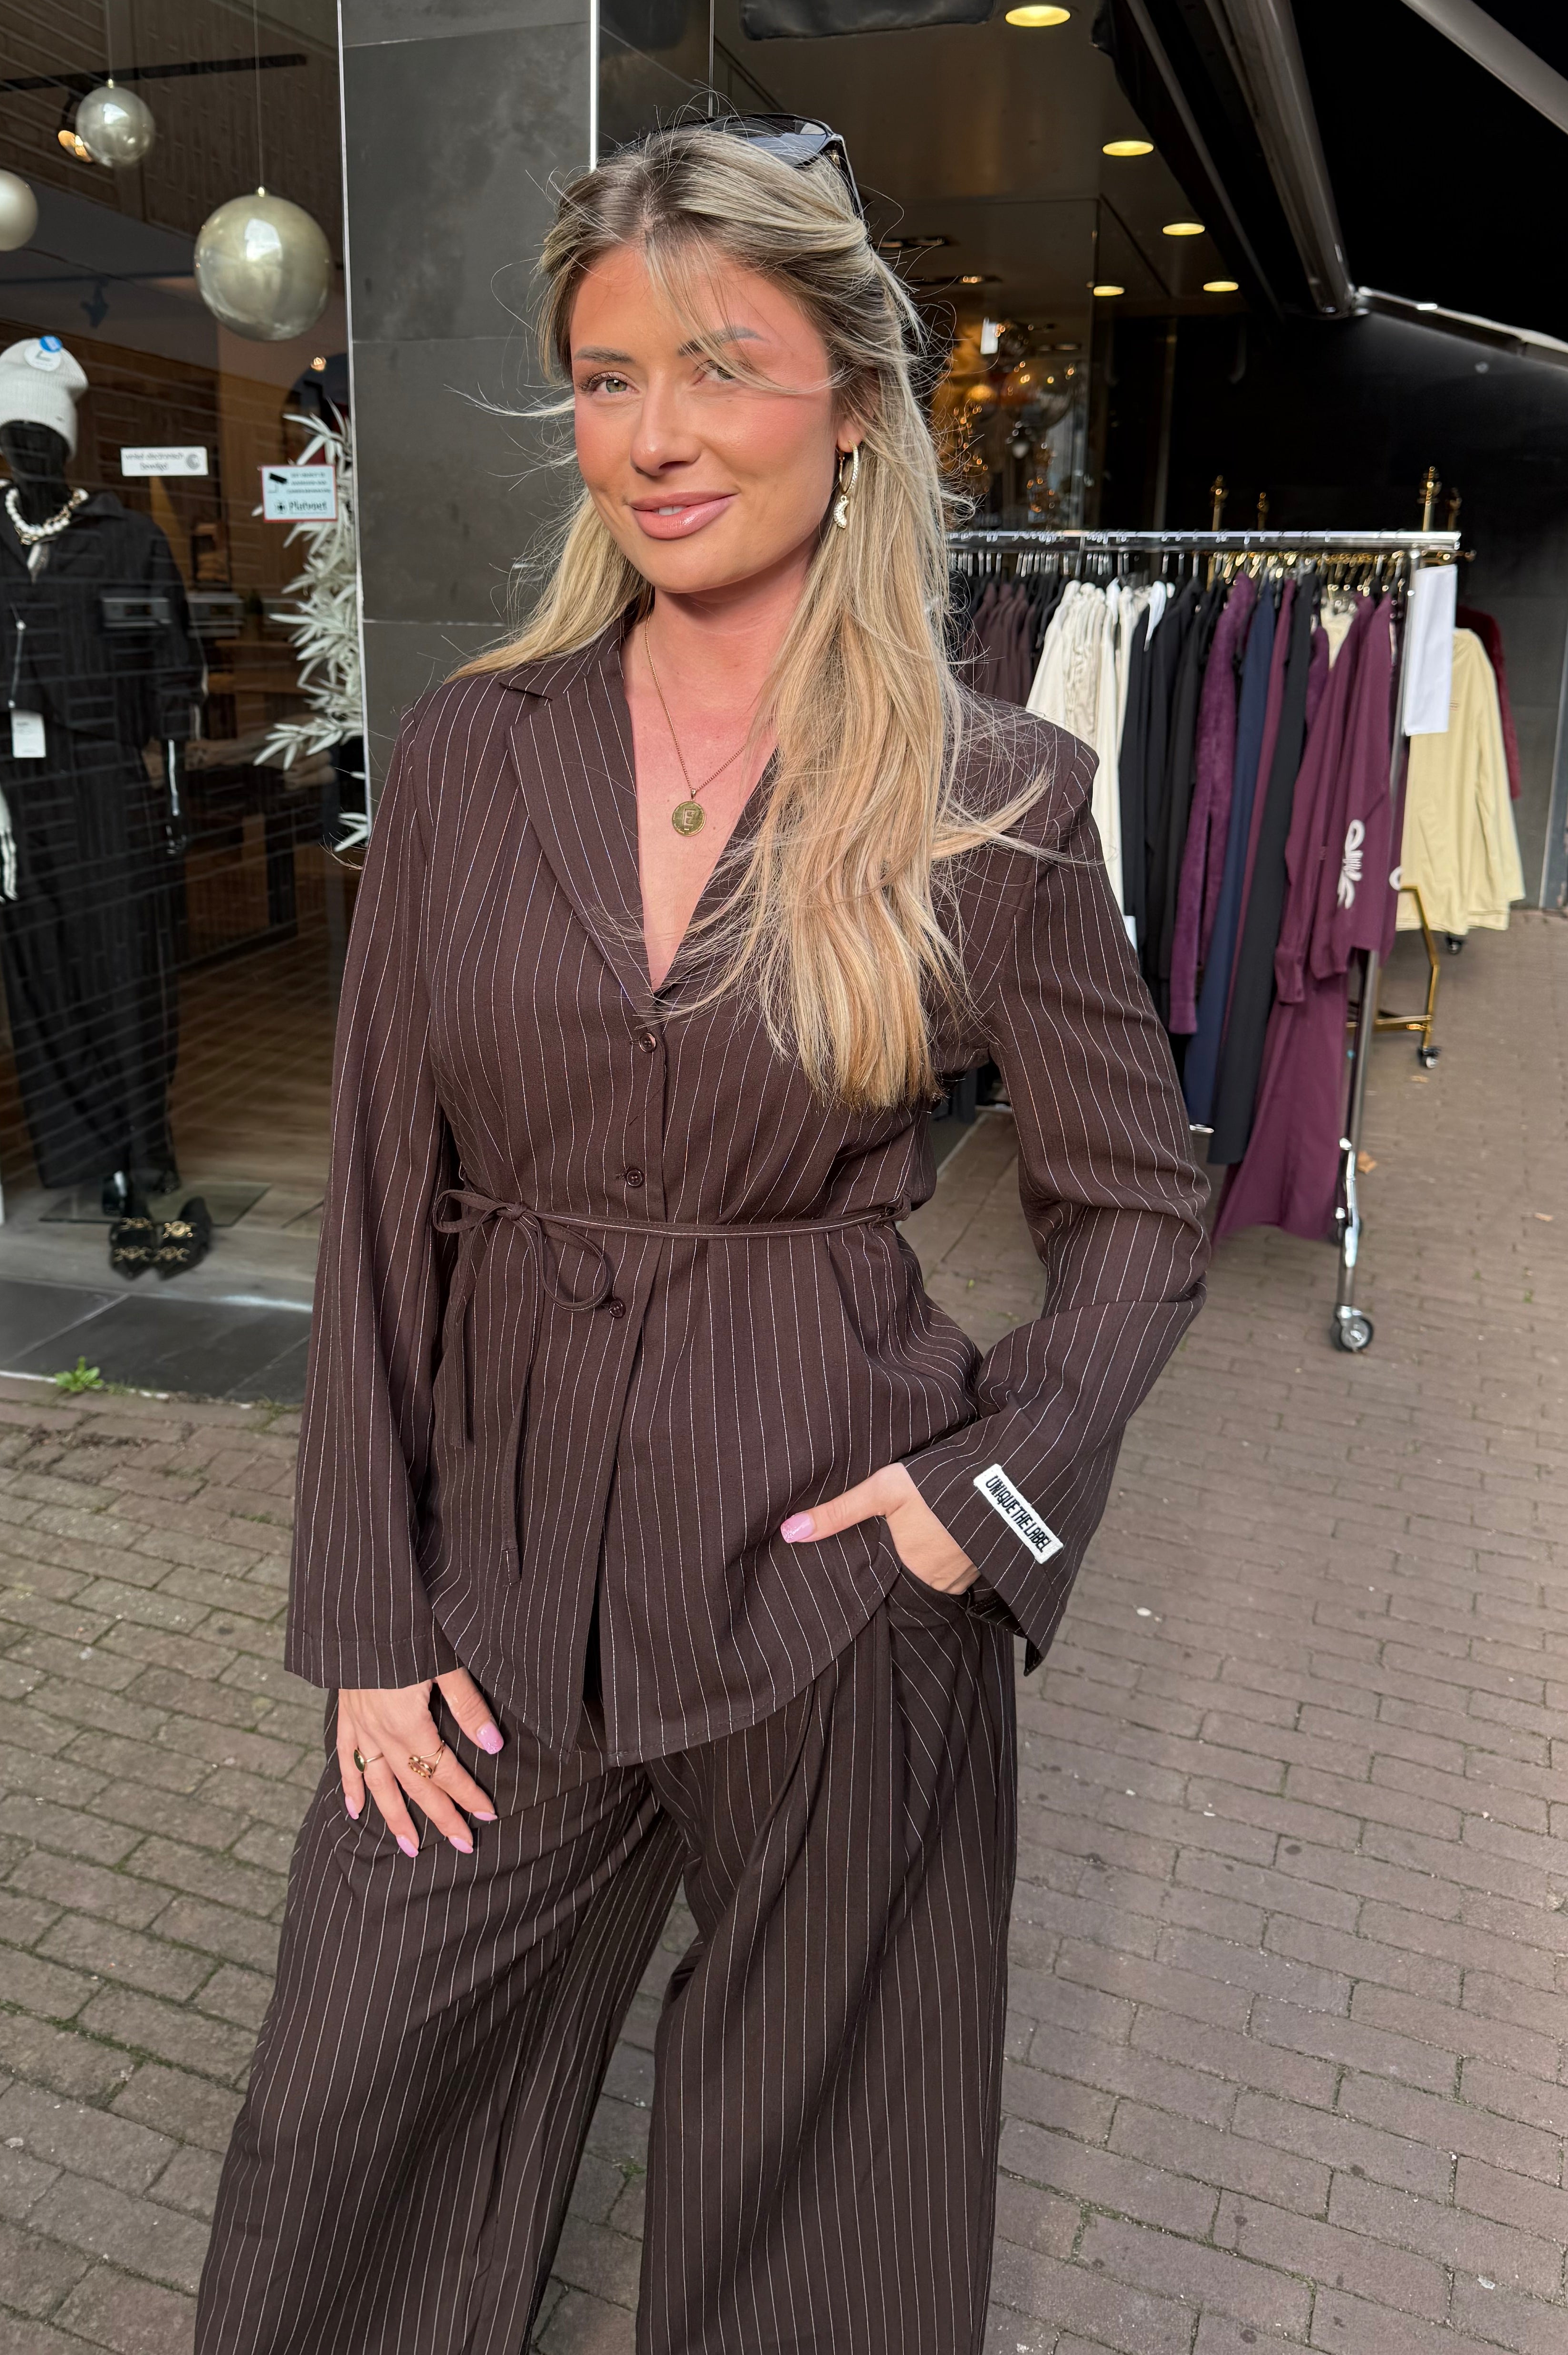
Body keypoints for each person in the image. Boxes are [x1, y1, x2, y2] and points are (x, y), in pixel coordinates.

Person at [195, 119, 1208, 2355]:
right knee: (342, 2128)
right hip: (495, 1591)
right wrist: (367, 1615)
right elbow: (376, 1204)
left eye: (721, 366)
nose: (655, 435)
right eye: (606, 376)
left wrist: (985, 1498)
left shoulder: (990, 791)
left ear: (852, 406)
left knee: (818, 2212)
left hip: (836, 1587)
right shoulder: (473, 757)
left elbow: (1141, 1201)